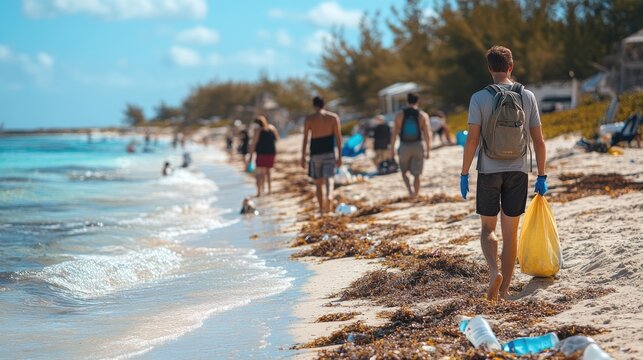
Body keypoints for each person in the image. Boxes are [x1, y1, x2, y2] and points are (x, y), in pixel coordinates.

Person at [460, 45, 548, 301]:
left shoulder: (479, 97)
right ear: (511, 67)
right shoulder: (527, 96)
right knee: (511, 233)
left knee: (488, 228)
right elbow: (539, 141)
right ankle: (505, 289)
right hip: (518, 171)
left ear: (490, 69)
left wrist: (464, 173)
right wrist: (541, 176)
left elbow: (472, 140)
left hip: (489, 171)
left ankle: (493, 272)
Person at [301, 96, 343, 214]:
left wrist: (303, 157)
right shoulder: (333, 117)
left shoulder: (309, 119)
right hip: (329, 152)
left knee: (318, 183)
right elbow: (338, 138)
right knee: (329, 178)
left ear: (314, 105)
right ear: (324, 105)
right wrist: (340, 156)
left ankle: (321, 208)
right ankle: (329, 196)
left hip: (315, 154)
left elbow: (305, 139)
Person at [390, 93, 432, 198]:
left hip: (404, 146)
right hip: (418, 145)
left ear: (407, 101)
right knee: (417, 174)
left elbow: (394, 133)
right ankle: (416, 195)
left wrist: (392, 149)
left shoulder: (400, 115)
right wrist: (428, 150)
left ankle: (410, 191)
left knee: (404, 172)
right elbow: (427, 134)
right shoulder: (422, 115)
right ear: (417, 102)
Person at [248, 115, 280, 196]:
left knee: (259, 173)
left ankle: (259, 192)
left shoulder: (257, 130)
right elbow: (277, 138)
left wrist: (251, 157)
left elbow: (253, 144)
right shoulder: (272, 128)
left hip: (261, 153)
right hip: (271, 153)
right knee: (268, 172)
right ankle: (269, 191)